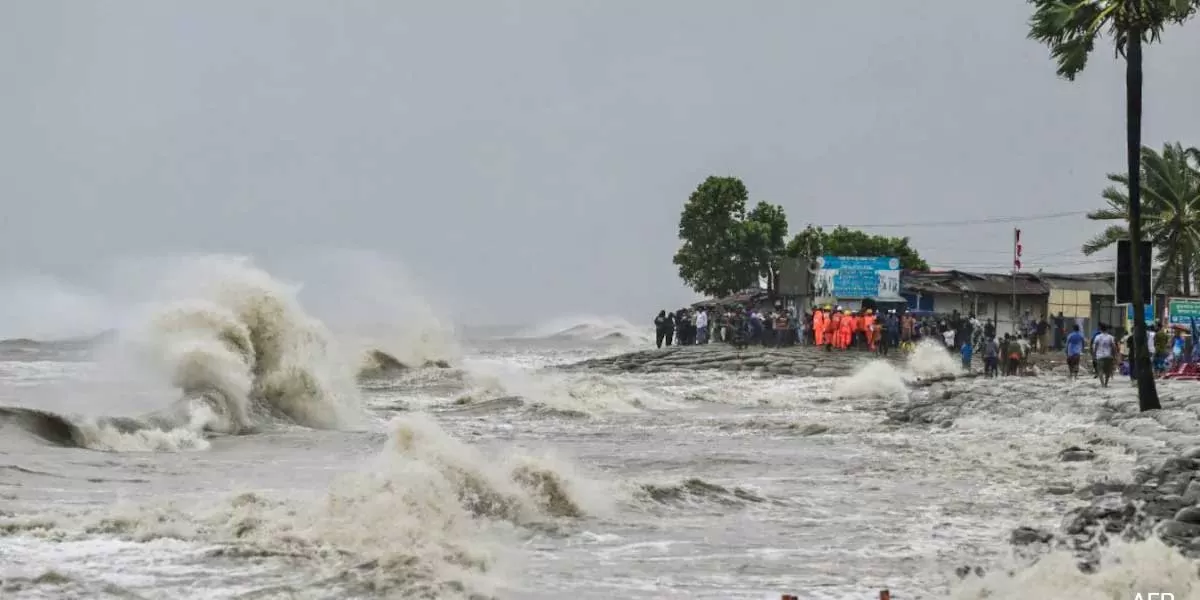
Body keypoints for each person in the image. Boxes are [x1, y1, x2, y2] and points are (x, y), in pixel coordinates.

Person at [1093, 323, 1118, 388]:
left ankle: (1102, 384)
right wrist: (1115, 355)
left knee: (1100, 370)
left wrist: (1094, 354)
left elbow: (1095, 346)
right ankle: (1106, 383)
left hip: (1100, 356)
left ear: (1100, 329)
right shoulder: (1110, 337)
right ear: (1107, 329)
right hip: (1108, 356)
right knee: (1108, 371)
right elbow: (1113, 347)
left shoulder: (1097, 337)